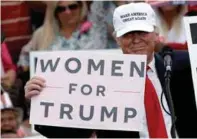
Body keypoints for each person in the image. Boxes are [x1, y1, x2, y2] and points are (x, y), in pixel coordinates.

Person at [24, 3, 197, 138]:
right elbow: (72, 134)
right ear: (117, 39)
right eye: (128, 34)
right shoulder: (100, 80)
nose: (136, 40)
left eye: (142, 32)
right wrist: (39, 100)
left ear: (155, 33)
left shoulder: (181, 65)